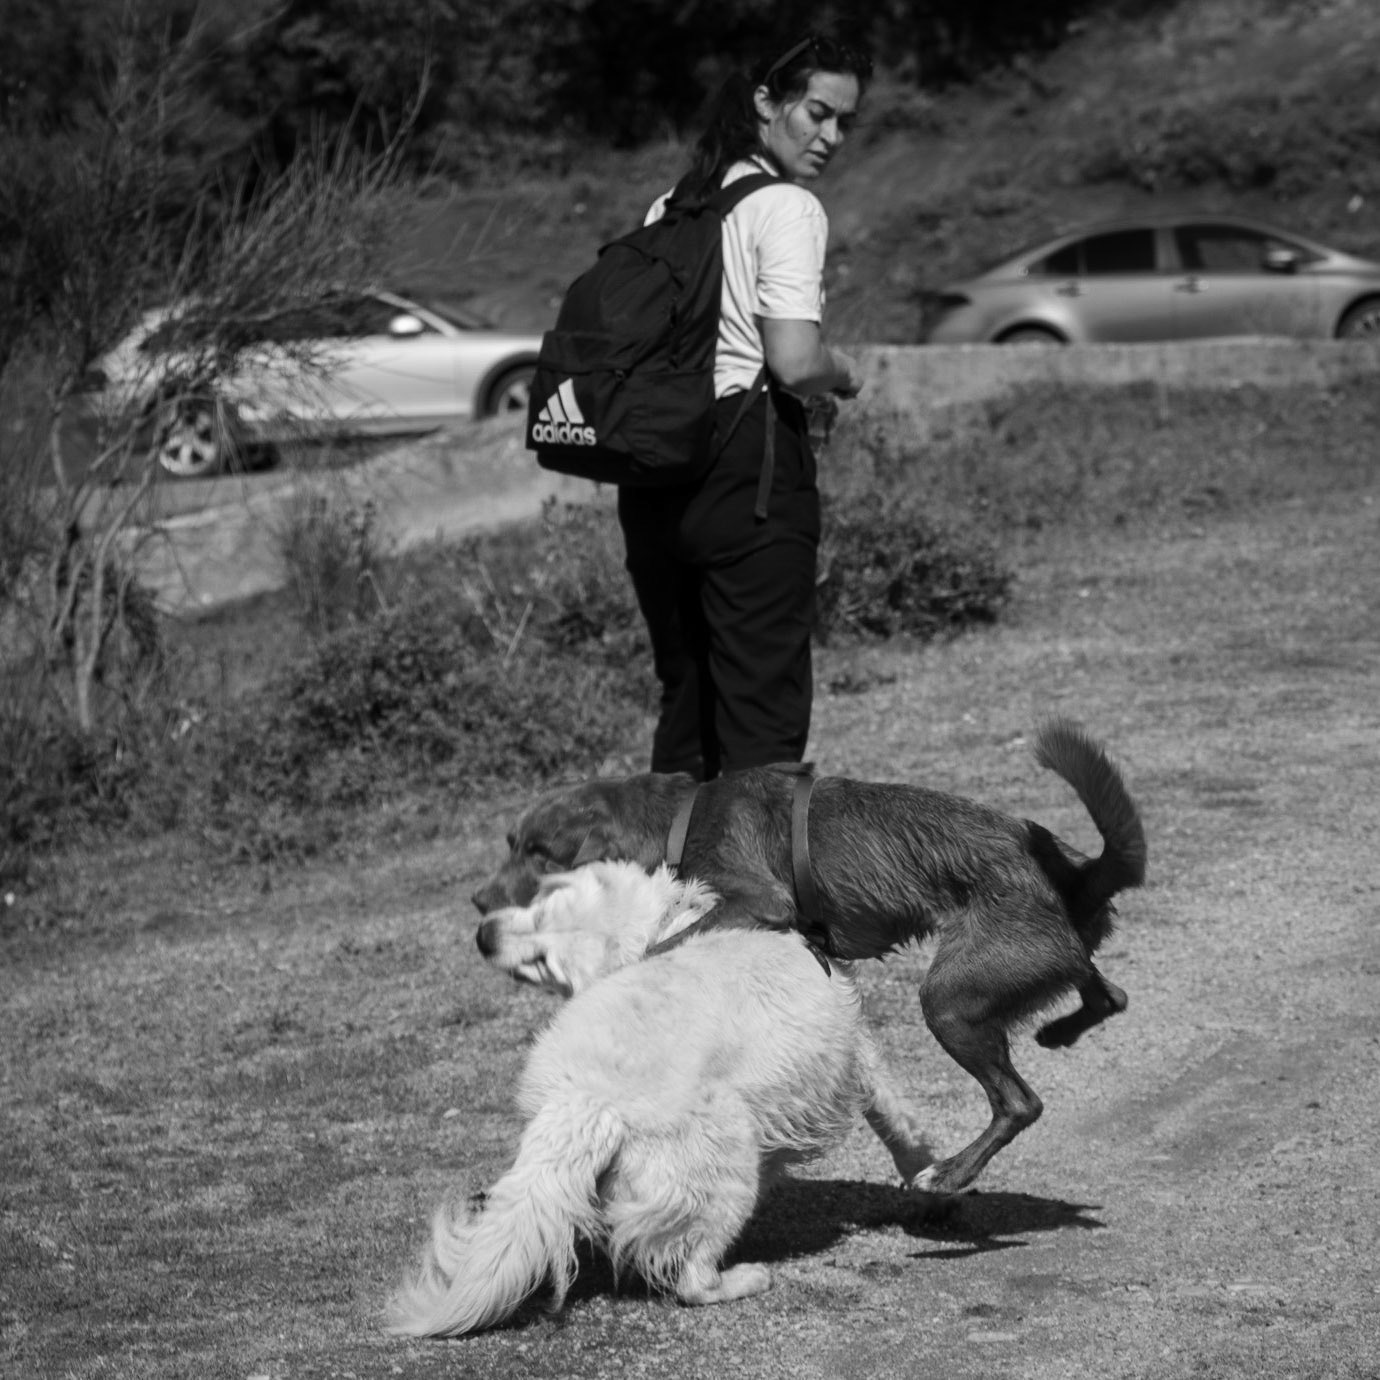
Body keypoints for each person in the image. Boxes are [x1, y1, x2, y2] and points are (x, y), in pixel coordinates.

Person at [617, 30, 873, 782]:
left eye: (845, 123)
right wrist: (847, 373)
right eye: (818, 112)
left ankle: (665, 897)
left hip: (657, 477)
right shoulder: (787, 207)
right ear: (766, 101)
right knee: (762, 719)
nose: (831, 137)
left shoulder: (672, 204)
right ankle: (759, 900)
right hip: (748, 475)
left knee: (688, 707)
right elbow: (794, 362)